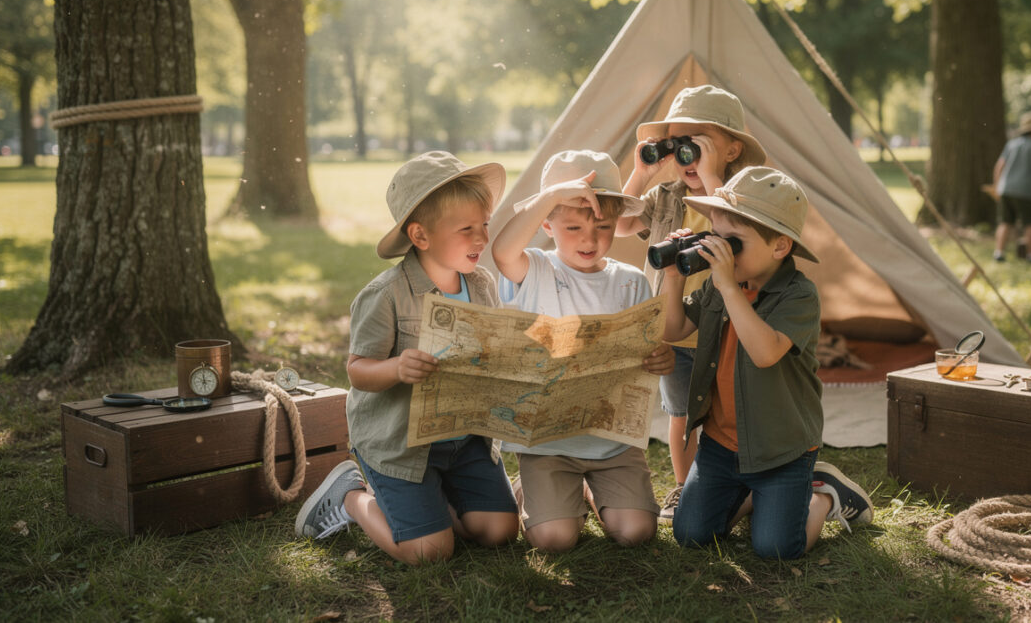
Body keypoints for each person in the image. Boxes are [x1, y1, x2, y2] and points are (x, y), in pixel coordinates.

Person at [294, 151, 520, 564]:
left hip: (465, 439)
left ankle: (435, 500)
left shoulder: (483, 285)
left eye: (484, 224)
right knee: (428, 551)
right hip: (400, 445)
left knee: (500, 531)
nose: (482, 239)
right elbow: (358, 371)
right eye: (467, 229)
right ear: (420, 236)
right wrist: (397, 367)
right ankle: (350, 498)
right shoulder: (386, 295)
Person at [659, 166, 873, 560]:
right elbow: (672, 329)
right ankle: (757, 499)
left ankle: (824, 495)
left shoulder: (799, 295)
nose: (720, 251)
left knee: (776, 549)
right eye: (716, 238)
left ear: (779, 247)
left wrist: (726, 285)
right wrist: (673, 276)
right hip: (722, 446)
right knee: (690, 534)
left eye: (734, 243)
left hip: (782, 449)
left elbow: (764, 352)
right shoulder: (720, 283)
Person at [491, 149, 675, 552]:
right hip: (547, 444)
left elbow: (644, 354)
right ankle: (536, 492)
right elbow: (502, 251)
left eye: (603, 227)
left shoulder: (631, 282)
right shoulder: (534, 269)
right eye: (572, 226)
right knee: (555, 540)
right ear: (546, 223)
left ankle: (590, 494)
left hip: (612, 443)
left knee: (637, 532)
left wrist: (660, 358)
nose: (589, 239)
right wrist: (550, 195)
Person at [616, 84, 768, 523]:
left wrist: (712, 173)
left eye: (696, 143)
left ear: (732, 148)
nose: (685, 154)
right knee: (681, 412)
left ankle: (738, 482)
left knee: (728, 410)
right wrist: (643, 173)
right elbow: (623, 224)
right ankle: (685, 488)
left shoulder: (745, 195)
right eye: (677, 143)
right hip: (675, 329)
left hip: (728, 327)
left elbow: (736, 223)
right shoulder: (666, 197)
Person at [993, 110, 1031, 263]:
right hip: (1025, 190)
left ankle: (999, 252)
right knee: (1030, 223)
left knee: (1005, 221)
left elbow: (999, 166)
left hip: (1005, 188)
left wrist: (997, 185)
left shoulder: (1012, 144)